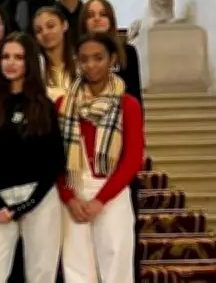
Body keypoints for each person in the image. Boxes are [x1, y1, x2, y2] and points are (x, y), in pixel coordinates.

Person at [0, 33, 65, 283]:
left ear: (29, 63)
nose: (11, 63)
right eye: (6, 56)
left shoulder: (43, 105)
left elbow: (55, 161)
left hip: (40, 199)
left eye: (19, 57)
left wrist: (27, 205)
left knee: (41, 275)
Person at [57, 32, 145, 283]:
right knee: (76, 268)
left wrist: (101, 200)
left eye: (98, 58)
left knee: (116, 264)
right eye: (84, 59)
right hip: (74, 191)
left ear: (112, 59)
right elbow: (55, 158)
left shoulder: (127, 105)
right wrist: (69, 197)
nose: (91, 65)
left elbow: (132, 158)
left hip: (112, 192)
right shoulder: (64, 105)